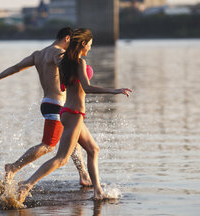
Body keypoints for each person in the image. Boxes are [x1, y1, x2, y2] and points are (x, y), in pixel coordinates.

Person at [18, 28, 132, 202]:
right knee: (62, 158)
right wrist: (114, 90)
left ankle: (98, 191)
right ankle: (27, 184)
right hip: (74, 114)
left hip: (68, 112)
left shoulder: (65, 62)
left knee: (93, 149)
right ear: (84, 44)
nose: (90, 49)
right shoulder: (79, 63)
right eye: (90, 45)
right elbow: (87, 88)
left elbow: (64, 86)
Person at [0, 27, 92, 186]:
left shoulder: (38, 54)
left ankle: (84, 175)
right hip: (57, 105)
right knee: (48, 145)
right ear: (67, 38)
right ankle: (13, 167)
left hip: (49, 103)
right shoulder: (57, 53)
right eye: (72, 42)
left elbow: (16, 68)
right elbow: (68, 66)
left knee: (73, 137)